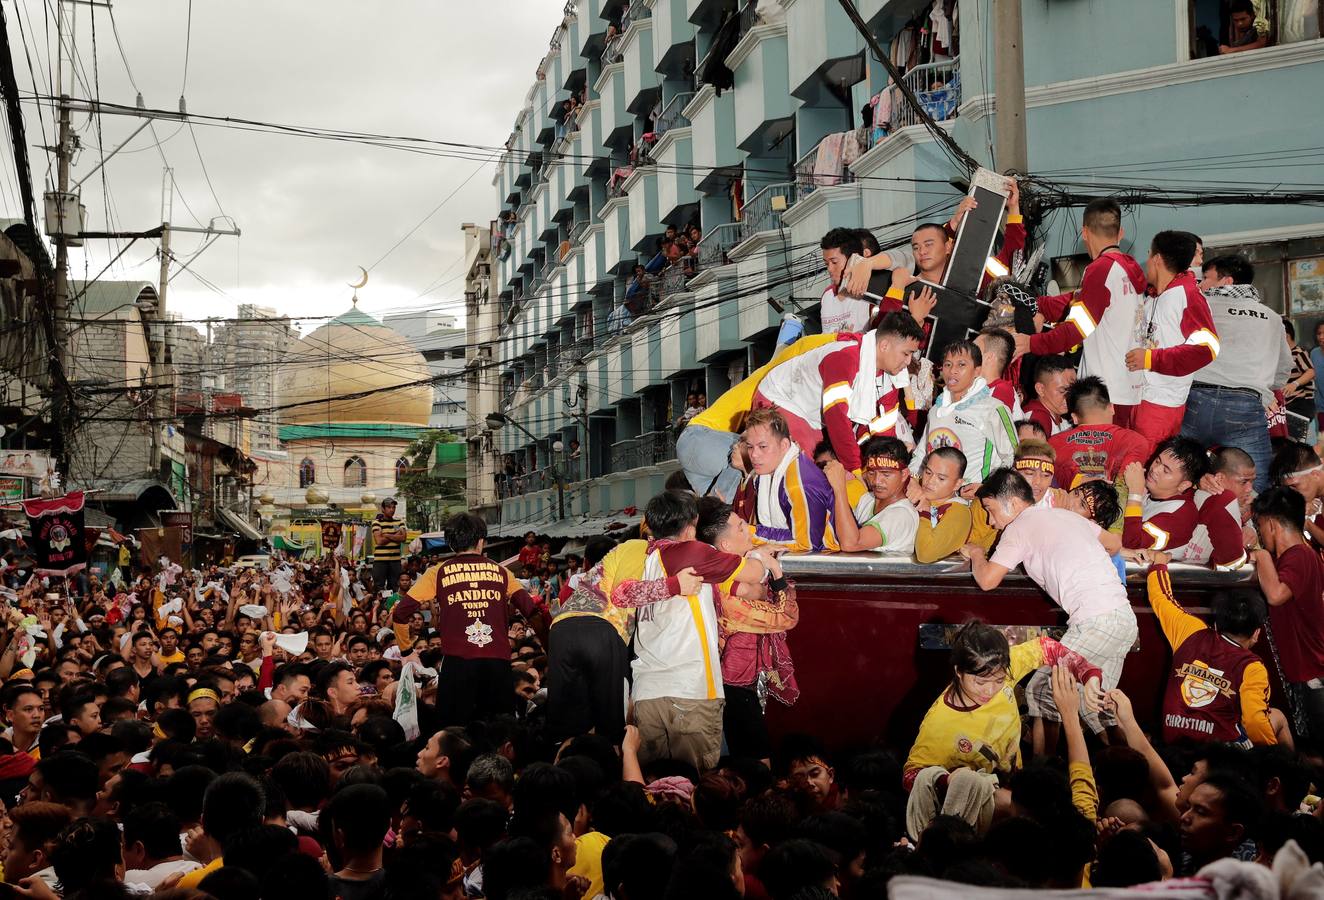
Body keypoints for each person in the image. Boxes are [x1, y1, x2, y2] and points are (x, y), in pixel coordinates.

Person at [964, 468, 1135, 742]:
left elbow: (987, 580)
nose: (989, 519)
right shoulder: (1066, 516)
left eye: (990, 508)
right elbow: (1113, 543)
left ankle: (1043, 776)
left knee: (1043, 691)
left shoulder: (1018, 528)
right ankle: (1125, 775)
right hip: (1123, 619)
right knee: (1096, 711)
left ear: (1014, 502)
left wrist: (975, 553)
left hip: (1097, 622)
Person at [903, 621, 1102, 838]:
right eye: (980, 682)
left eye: (998, 681)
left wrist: (1089, 675)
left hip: (1016, 781)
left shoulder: (1002, 667)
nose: (990, 690)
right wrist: (948, 779)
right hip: (982, 811)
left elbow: (1047, 648)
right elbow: (912, 774)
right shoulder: (939, 724)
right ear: (959, 672)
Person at [626, 490, 771, 772]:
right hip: (689, 691)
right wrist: (760, 556)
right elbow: (754, 575)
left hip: (648, 693)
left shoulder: (650, 560)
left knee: (656, 784)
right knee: (693, 785)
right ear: (692, 523)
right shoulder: (694, 553)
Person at [546, 535, 700, 745]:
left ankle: (564, 768)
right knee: (610, 723)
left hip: (560, 629)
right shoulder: (643, 551)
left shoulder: (606, 564)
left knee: (567, 723)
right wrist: (676, 585)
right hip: (603, 628)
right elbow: (623, 593)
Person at [407, 512, 544, 726]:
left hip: (456, 666)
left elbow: (400, 612)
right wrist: (549, 646)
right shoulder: (501, 571)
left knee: (455, 734)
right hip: (497, 665)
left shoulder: (438, 572)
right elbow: (532, 611)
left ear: (451, 544)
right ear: (481, 542)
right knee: (501, 732)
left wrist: (406, 651)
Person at [1131, 550, 1280, 747]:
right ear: (1256, 634)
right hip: (1219, 758)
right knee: (1277, 718)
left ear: (1216, 624)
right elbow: (1254, 722)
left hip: (1173, 745)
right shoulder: (1252, 667)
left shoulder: (1191, 631)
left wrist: (1159, 563)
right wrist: (1274, 758)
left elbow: (1161, 598)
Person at [675, 331, 838, 501]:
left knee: (723, 510)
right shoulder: (773, 374)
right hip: (700, 436)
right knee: (756, 456)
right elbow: (800, 347)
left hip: (697, 446)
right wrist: (839, 338)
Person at [754, 312, 927, 471]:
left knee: (829, 469)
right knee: (804, 470)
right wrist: (857, 469)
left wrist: (886, 468)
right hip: (781, 400)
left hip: (813, 419)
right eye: (906, 353)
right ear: (884, 346)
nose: (908, 361)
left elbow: (884, 437)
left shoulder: (891, 378)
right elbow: (837, 417)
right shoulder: (845, 356)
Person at [695, 498, 799, 763]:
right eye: (741, 527)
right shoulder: (728, 591)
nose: (749, 531)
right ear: (725, 546)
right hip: (734, 685)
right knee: (756, 763)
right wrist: (775, 571)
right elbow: (785, 616)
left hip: (730, 681)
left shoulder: (720, 573)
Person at [1182, 253, 1290, 491]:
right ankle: (1251, 527)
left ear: (1227, 281)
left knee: (1179, 474)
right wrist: (1263, 389)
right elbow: (1283, 371)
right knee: (1256, 487)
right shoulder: (1272, 318)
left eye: (1207, 278)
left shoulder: (1199, 306)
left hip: (1195, 401)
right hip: (1245, 408)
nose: (1201, 284)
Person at [1124, 231, 1221, 452]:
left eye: (1149, 255)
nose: (1146, 261)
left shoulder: (1188, 295)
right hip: (1139, 396)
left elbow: (1207, 348)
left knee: (1145, 470)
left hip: (1161, 404)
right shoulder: (1155, 296)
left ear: (1157, 259)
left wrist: (1150, 358)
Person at [1250, 486, 1324, 740]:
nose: (1260, 533)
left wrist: (1260, 555)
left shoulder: (1300, 555)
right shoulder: (1301, 555)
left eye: (1259, 526)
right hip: (1304, 676)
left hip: (1310, 678)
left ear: (1270, 524)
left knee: (1314, 757)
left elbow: (1276, 594)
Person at [910, 340, 1017, 482]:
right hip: (931, 495)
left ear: (977, 371)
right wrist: (911, 482)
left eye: (961, 365)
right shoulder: (936, 410)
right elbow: (922, 455)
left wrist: (986, 488)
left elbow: (1014, 457)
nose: (952, 370)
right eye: (948, 364)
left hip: (970, 500)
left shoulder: (994, 409)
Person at [738, 408, 838, 553]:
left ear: (784, 445)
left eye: (762, 446)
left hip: (833, 563)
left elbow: (807, 544)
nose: (754, 454)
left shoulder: (799, 483)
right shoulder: (763, 474)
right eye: (750, 447)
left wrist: (749, 533)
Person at [1049, 375, 1148, 489]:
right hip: (1115, 505)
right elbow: (1125, 489)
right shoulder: (1136, 442)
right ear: (1111, 408)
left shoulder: (1054, 444)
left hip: (1069, 504)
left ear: (1074, 417)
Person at [823, 436, 918, 553]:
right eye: (872, 473)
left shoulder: (902, 515)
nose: (877, 481)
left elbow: (851, 544)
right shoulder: (867, 499)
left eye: (886, 474)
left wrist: (839, 488)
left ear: (904, 474)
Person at [1122, 436, 1206, 556]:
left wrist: (1134, 493)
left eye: (1166, 470)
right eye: (1157, 461)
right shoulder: (1153, 493)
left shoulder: (1180, 516)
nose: (1155, 469)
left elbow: (1132, 544)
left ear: (1183, 485)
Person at [1181, 446, 1254, 571]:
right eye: (1244, 482)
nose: (1250, 489)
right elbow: (1232, 563)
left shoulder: (1244, 502)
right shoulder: (1204, 497)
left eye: (1252, 482)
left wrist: (1250, 528)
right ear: (1219, 478)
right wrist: (1259, 556)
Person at [909, 447, 972, 563]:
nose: (930, 481)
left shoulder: (959, 513)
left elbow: (926, 554)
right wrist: (910, 481)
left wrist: (925, 511)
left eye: (941, 478)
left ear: (957, 484)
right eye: (928, 472)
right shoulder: (914, 487)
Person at [817, 228, 873, 334]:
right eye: (826, 264)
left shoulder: (871, 291)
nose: (829, 269)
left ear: (853, 259)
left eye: (834, 262)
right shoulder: (827, 296)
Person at [1022, 356, 1076, 437]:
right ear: (1040, 389)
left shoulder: (1056, 416)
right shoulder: (1037, 419)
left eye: (1074, 389)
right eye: (1062, 391)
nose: (1070, 396)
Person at [974, 327, 1021, 415]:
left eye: (974, 350)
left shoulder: (1002, 391)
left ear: (989, 358)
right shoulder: (975, 387)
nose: (968, 353)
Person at [1282, 318, 1315, 442]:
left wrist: (1294, 384)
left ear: (1286, 335)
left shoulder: (1298, 353)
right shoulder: (1282, 355)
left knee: (1297, 440)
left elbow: (1311, 371)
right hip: (1289, 405)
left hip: (1301, 403)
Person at [1014, 440, 1067, 509]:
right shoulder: (1000, 500)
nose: (1038, 482)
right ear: (1014, 474)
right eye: (1030, 473)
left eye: (1045, 475)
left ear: (1051, 478)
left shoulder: (1060, 502)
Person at [370, 498, 407, 588]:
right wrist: (395, 535)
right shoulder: (376, 523)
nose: (392, 510)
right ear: (383, 509)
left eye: (393, 507)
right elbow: (379, 541)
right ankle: (380, 602)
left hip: (395, 561)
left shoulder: (399, 522)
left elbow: (403, 538)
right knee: (379, 586)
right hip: (380, 561)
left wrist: (386, 535)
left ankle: (394, 602)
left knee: (395, 586)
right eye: (389, 507)